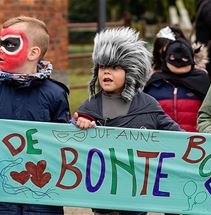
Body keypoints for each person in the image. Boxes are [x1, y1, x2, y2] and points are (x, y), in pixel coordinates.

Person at [0, 16, 69, 214]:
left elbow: (65, 137)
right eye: (1, 43)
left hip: (42, 195)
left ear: (33, 53)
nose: (1, 49)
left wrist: (78, 126)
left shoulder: (56, 94)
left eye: (10, 44)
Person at [74, 27, 181, 215]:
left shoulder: (148, 105)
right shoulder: (89, 107)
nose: (106, 72)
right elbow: (68, 143)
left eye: (115, 67)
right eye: (102, 67)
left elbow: (177, 137)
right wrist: (79, 124)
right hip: (103, 198)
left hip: (135, 199)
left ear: (131, 71)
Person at [144, 38, 210, 132]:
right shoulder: (154, 82)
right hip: (162, 141)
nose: (179, 62)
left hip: (195, 141)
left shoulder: (202, 82)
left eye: (184, 58)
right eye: (173, 57)